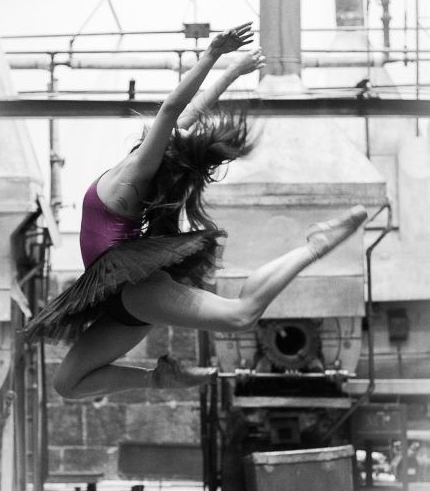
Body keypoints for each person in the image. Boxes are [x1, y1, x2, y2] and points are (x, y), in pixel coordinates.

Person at [23, 22, 367, 399]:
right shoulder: (144, 163)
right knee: (67, 384)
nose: (184, 127)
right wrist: (231, 71)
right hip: (122, 298)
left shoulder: (141, 168)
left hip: (134, 292)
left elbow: (174, 109)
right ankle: (158, 379)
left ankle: (316, 245)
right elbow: (188, 111)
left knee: (241, 315)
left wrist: (214, 55)